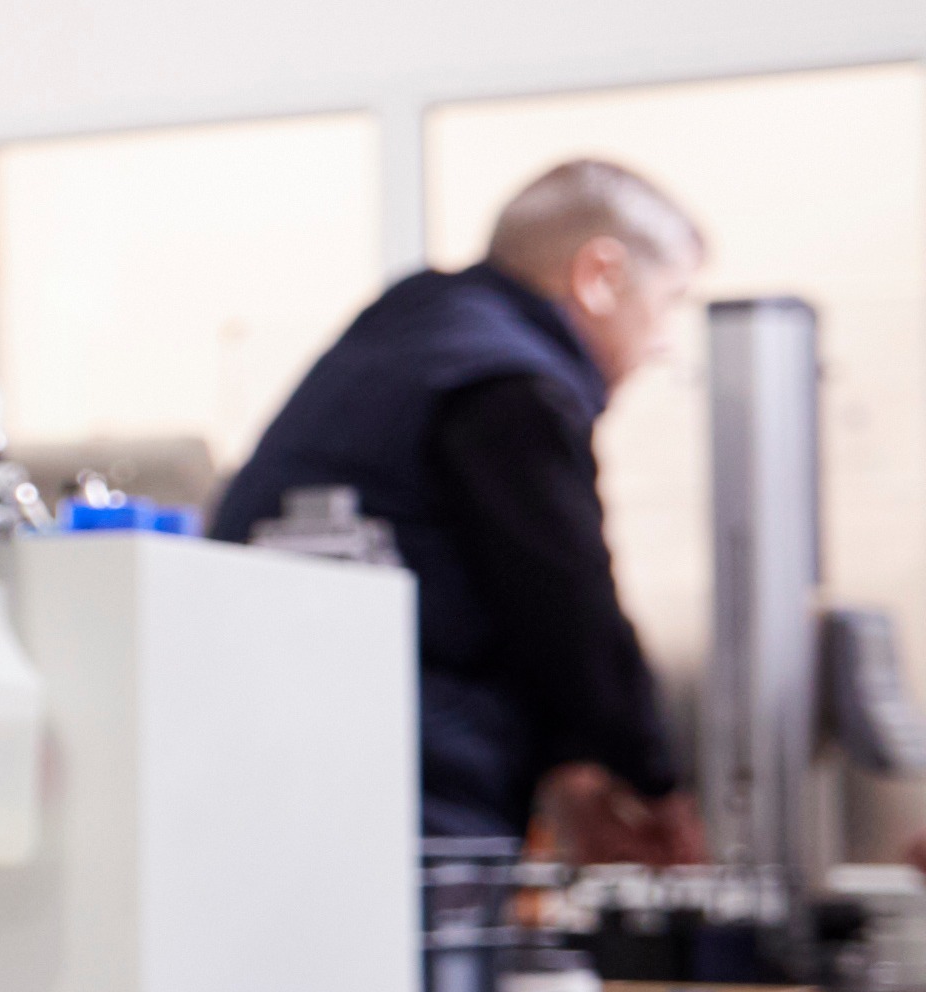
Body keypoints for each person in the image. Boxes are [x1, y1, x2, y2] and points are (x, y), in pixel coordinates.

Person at [211, 158, 706, 865]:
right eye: (669, 301)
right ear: (600, 276)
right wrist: (654, 785)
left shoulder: (410, 337)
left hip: (273, 761)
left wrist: (572, 759)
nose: (664, 342)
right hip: (413, 783)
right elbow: (565, 601)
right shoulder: (506, 383)